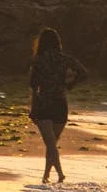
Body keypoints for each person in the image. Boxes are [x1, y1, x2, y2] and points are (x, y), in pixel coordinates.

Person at [28, 27, 87, 184]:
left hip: (44, 104)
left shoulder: (38, 61)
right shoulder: (65, 59)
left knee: (51, 144)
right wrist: (69, 85)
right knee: (52, 144)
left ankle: (60, 174)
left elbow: (33, 86)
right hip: (60, 104)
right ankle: (46, 176)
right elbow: (84, 73)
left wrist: (32, 108)